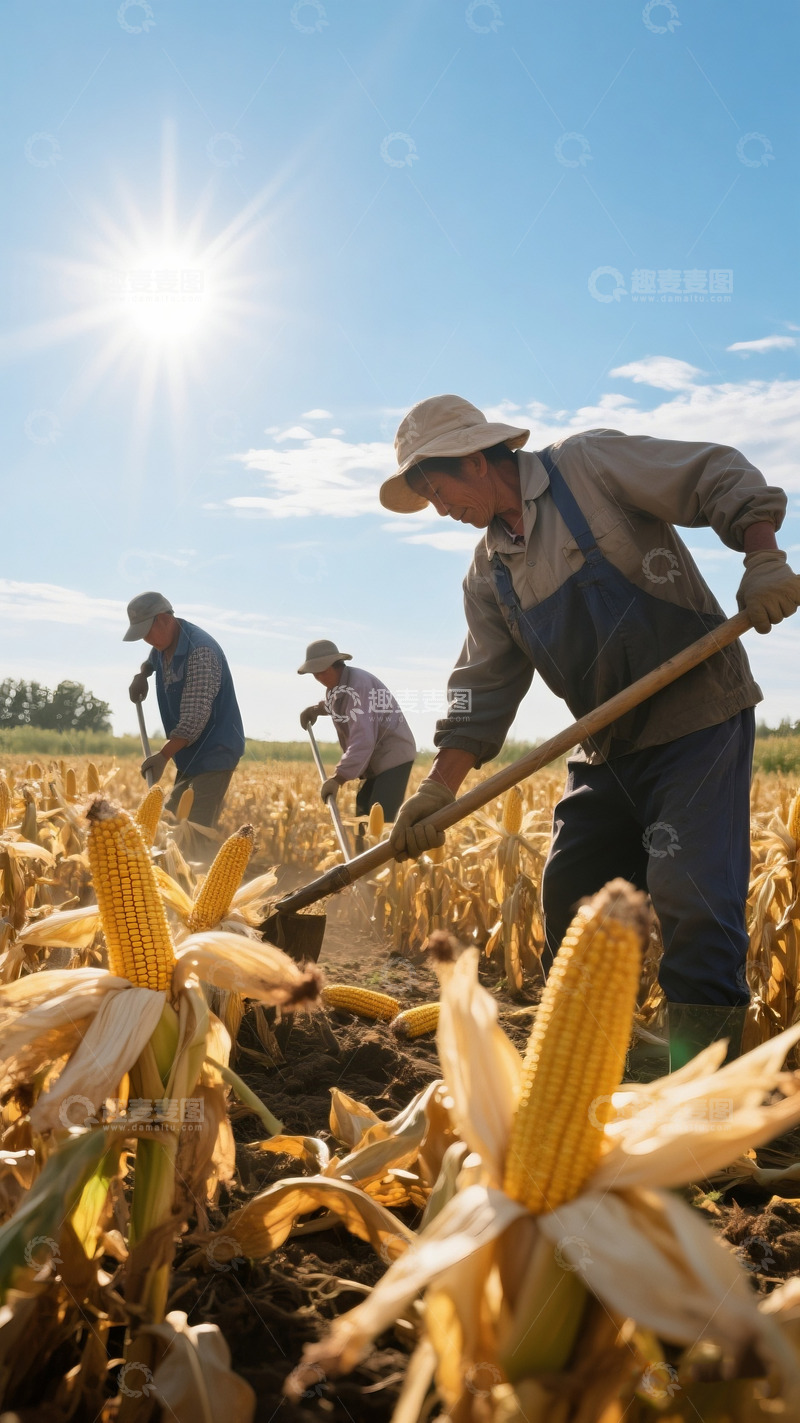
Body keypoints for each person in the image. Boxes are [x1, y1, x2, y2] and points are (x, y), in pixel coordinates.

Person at [382, 394, 800, 1070]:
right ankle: (592, 1072)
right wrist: (436, 787)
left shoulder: (589, 466)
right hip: (606, 744)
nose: (438, 508)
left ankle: (703, 1097)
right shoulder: (488, 574)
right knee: (568, 890)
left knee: (692, 900)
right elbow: (482, 691)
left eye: (435, 489)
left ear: (471, 460)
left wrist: (762, 559)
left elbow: (713, 474)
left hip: (697, 720)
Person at [125, 591, 245, 827]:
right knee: (174, 821)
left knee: (193, 828)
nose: (147, 640)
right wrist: (143, 674)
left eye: (148, 631)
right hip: (190, 754)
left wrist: (163, 756)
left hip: (215, 751)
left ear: (165, 619)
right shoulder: (164, 643)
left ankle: (205, 861)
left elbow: (194, 718)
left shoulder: (201, 651)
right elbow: (152, 658)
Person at [298, 639, 416, 850]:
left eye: (320, 672)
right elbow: (338, 703)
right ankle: (362, 872)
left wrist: (339, 778)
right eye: (313, 674)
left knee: (380, 819)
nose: (317, 678)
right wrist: (317, 710)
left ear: (333, 666)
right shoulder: (339, 684)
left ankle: (383, 874)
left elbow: (363, 739)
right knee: (362, 814)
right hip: (375, 760)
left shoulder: (359, 684)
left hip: (392, 756)